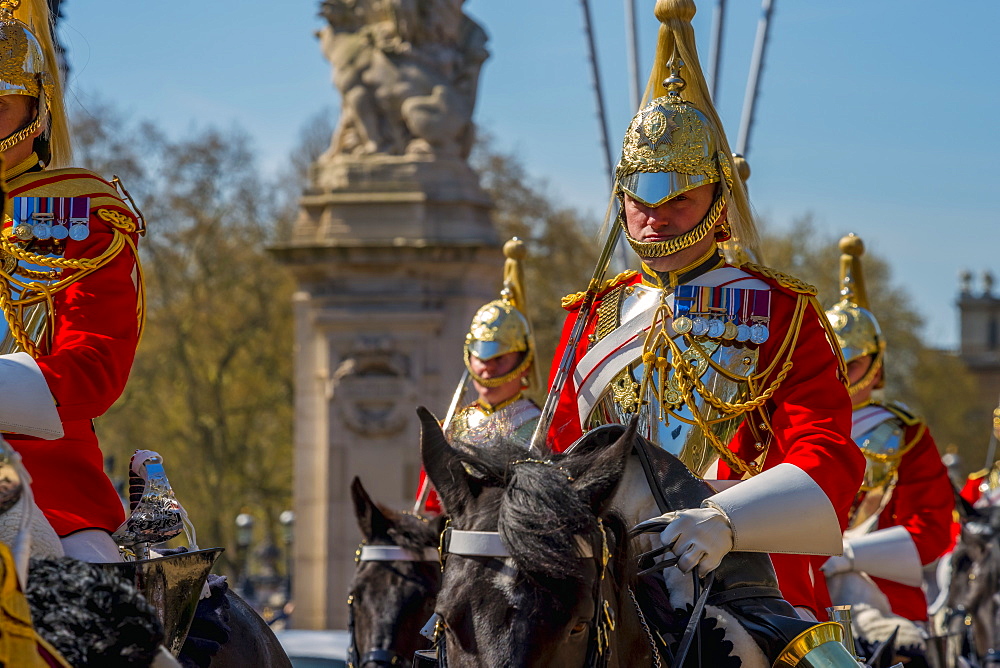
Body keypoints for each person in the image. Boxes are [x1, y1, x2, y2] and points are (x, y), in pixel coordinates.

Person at [543, 0, 864, 619]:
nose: (653, 214)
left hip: (742, 561)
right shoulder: (593, 314)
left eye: (678, 195)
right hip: (603, 572)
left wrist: (728, 518)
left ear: (718, 197)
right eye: (639, 194)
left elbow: (824, 451)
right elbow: (560, 449)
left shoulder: (779, 309)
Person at [0, 0, 144, 562]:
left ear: (36, 112)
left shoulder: (79, 212)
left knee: (103, 609)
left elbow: (94, 369)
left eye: (1, 105)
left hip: (43, 484)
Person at [818, 235, 953, 625]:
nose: (843, 376)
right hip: (800, 582)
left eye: (854, 364)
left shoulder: (905, 432)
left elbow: (933, 528)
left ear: (875, 362)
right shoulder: (789, 420)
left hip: (882, 593)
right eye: (835, 363)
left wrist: (851, 555)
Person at [415, 238, 540, 515]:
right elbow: (435, 507)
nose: (487, 369)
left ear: (522, 359)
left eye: (499, 359)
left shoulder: (543, 424)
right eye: (481, 359)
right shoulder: (450, 427)